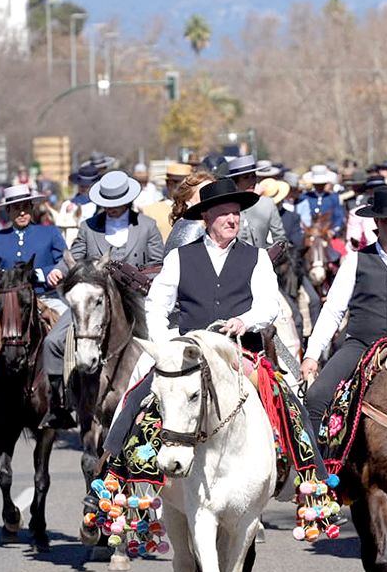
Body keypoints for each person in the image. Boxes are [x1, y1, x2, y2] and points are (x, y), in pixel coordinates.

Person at [104, 176, 280, 455]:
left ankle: (303, 472)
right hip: (189, 353)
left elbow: (270, 305)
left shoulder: (257, 258)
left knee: (285, 400)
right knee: (138, 397)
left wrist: (245, 321)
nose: (232, 219)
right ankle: (115, 472)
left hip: (240, 352)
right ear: (206, 217)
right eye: (224, 213)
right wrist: (166, 347)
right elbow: (156, 306)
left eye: (236, 212)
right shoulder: (179, 258)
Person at [300, 184, 387, 435]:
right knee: (316, 398)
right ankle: (319, 471)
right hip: (360, 345)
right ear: (377, 223)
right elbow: (333, 311)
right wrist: (312, 355)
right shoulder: (354, 261)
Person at [0, 183, 70, 432]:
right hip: (8, 306)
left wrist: (51, 273)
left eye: (25, 207)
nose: (21, 212)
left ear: (31, 207)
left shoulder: (49, 234)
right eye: (16, 208)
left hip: (45, 298)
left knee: (71, 337)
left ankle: (69, 396)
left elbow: (65, 261)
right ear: (8, 211)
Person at [44, 170, 165, 394]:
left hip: (135, 299)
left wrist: (135, 279)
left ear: (128, 200)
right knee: (53, 341)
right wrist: (58, 271)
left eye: (117, 202)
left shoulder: (147, 226)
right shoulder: (88, 227)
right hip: (92, 300)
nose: (112, 207)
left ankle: (158, 391)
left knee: (160, 340)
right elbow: (75, 254)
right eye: (107, 202)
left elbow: (158, 265)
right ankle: (58, 402)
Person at [224, 155, 286, 248]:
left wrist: (269, 257)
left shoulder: (267, 204)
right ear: (235, 181)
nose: (251, 181)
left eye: (253, 176)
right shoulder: (226, 205)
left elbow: (280, 238)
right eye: (246, 177)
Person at [140, 161, 191, 239]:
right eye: (180, 182)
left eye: (189, 183)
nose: (185, 187)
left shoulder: (198, 209)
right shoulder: (149, 211)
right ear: (168, 183)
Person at [297, 165, 346, 236]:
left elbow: (339, 216)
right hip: (308, 232)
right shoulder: (305, 197)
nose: (319, 186)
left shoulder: (333, 197)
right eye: (317, 184)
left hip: (328, 233)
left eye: (322, 184)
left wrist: (334, 230)